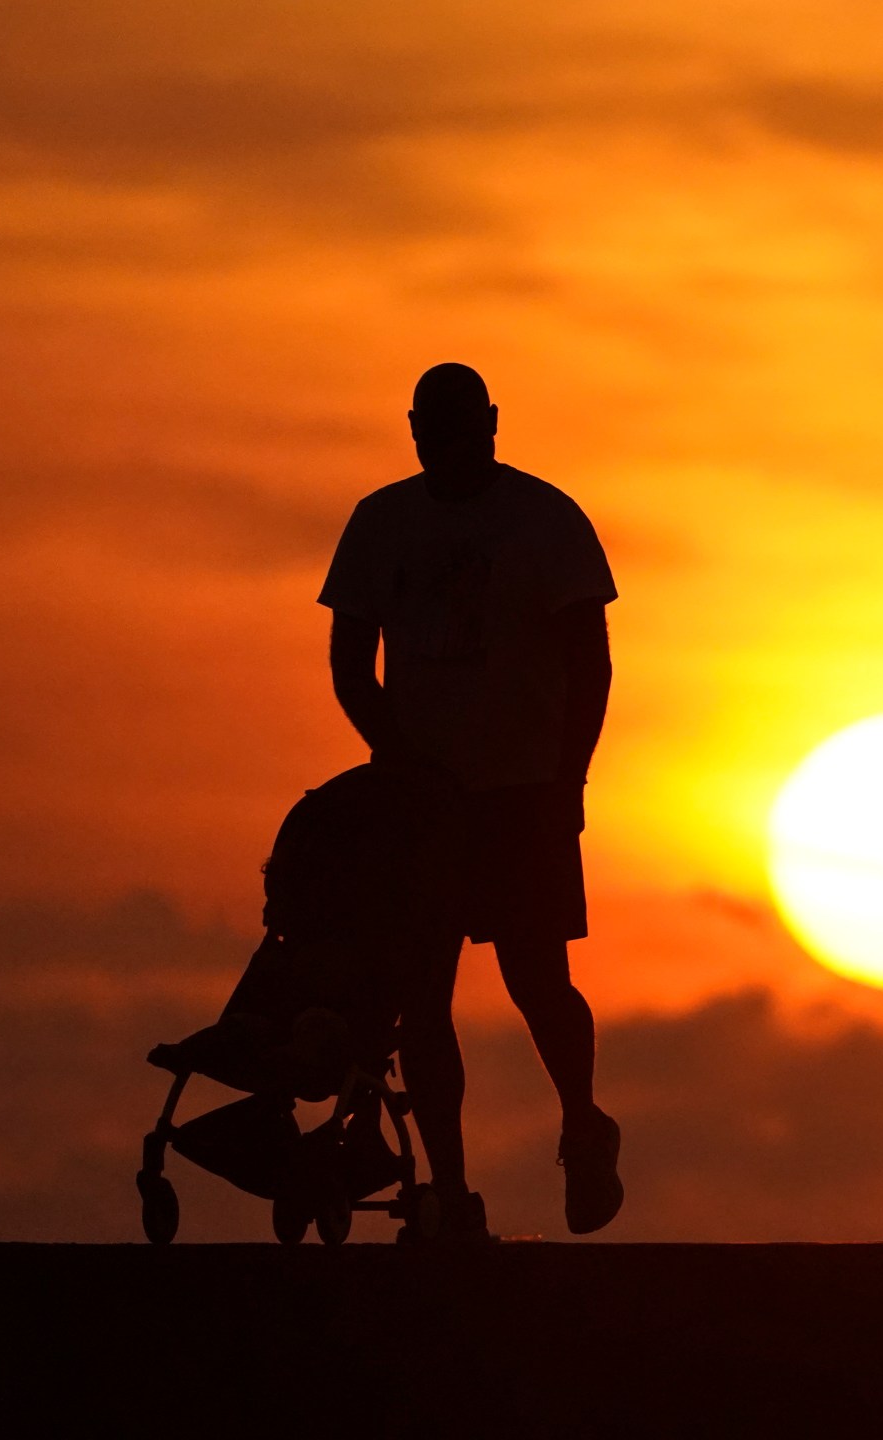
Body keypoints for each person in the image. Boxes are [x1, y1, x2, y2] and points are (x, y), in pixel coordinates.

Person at [318, 362, 624, 1240]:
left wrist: (570, 779)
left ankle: (583, 1121)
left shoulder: (546, 520)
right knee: (422, 999)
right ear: (412, 429)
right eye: (434, 426)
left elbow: (590, 663)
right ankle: (448, 1196)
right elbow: (349, 667)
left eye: (465, 424)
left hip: (524, 792)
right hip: (423, 804)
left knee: (537, 982)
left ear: (494, 422)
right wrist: (400, 761)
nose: (450, 442)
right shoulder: (381, 522)